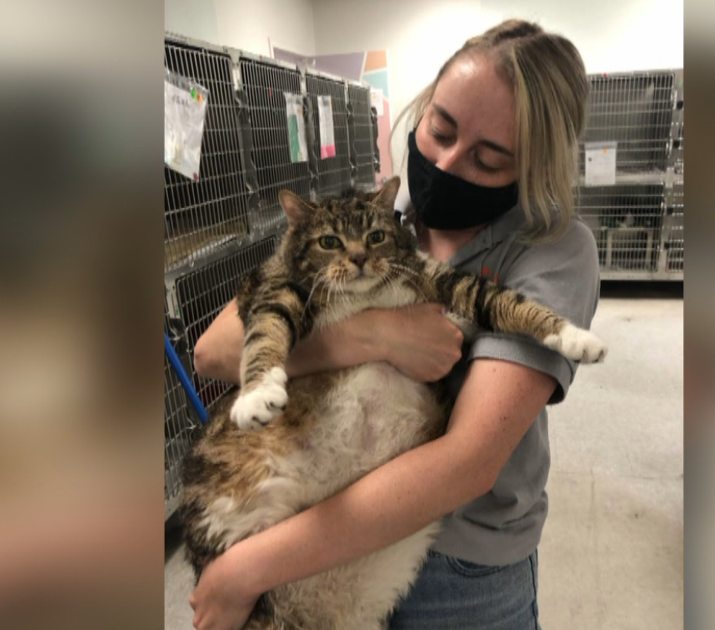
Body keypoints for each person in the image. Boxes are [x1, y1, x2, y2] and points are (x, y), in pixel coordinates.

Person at [189, 19, 599, 630]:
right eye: (441, 129)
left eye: (488, 159)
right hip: (318, 527)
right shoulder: (382, 212)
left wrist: (248, 568)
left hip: (459, 571)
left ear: (534, 167)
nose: (447, 163)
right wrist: (374, 336)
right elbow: (214, 351)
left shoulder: (553, 250)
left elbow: (467, 463)